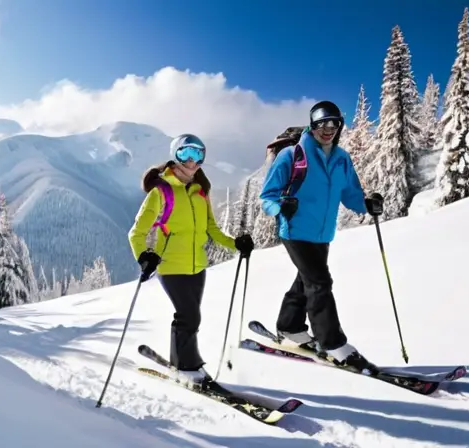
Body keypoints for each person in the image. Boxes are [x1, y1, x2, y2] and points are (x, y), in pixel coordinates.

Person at [259, 100, 384, 373]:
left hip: (322, 234)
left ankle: (289, 326)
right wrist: (280, 206)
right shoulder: (292, 155)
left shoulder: (342, 159)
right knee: (319, 282)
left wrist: (367, 204)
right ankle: (333, 345)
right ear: (312, 125)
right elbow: (266, 197)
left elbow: (350, 194)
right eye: (321, 124)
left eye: (333, 124)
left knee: (306, 282)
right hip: (294, 230)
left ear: (339, 126)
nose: (327, 129)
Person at [128, 133, 254, 386]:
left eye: (198, 154)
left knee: (191, 315)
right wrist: (143, 256)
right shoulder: (161, 192)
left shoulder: (200, 191)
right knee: (188, 315)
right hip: (171, 266)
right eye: (186, 153)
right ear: (175, 155)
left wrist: (236, 243)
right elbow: (137, 233)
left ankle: (184, 361)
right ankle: (186, 366)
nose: (192, 160)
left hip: (198, 266)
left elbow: (212, 229)